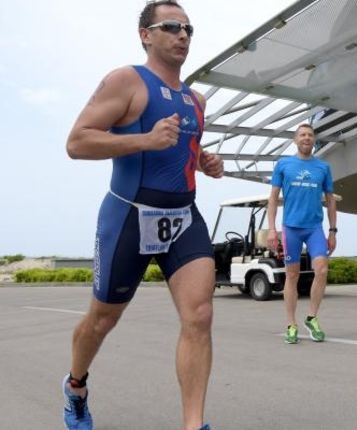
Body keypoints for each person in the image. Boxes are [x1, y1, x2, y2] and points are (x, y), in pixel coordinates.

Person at [62, 2, 223, 429]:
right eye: (171, 26)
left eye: (189, 28)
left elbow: (180, 151)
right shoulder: (126, 80)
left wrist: (205, 161)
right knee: (102, 320)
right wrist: (143, 141)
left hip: (183, 217)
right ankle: (76, 386)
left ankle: (194, 424)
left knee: (200, 315)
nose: (183, 34)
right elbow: (77, 143)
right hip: (129, 217)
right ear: (145, 35)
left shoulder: (196, 99)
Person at [267, 123, 338, 343]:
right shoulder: (283, 164)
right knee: (292, 275)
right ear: (295, 140)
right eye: (302, 135)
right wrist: (272, 229)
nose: (307, 138)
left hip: (314, 228)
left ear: (314, 140)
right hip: (291, 229)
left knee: (322, 270)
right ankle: (291, 324)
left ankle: (311, 317)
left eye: (310, 135)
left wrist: (333, 231)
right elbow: (273, 198)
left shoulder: (323, 167)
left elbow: (330, 200)